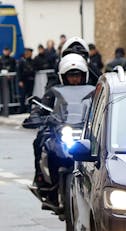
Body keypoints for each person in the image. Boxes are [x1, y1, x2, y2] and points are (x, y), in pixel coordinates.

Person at [26, 53, 89, 199]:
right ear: (63, 76)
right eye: (71, 75)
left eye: (77, 75)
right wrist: (36, 116)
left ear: (83, 75)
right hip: (61, 128)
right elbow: (40, 107)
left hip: (85, 129)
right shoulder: (54, 92)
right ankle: (41, 180)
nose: (74, 78)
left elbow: (102, 108)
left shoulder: (92, 91)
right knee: (40, 141)